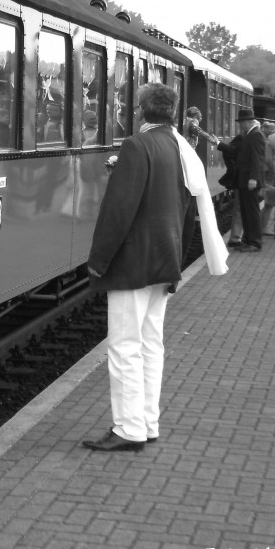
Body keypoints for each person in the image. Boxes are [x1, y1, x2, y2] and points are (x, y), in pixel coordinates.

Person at [82, 83, 199, 453]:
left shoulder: (137, 146)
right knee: (151, 345)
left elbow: (118, 212)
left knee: (124, 347)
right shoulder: (180, 146)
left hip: (133, 262)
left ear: (141, 110)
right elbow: (189, 207)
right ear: (173, 111)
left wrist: (98, 261)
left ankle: (128, 429)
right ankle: (147, 422)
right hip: (165, 258)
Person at [232, 109, 266, 252]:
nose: (241, 126)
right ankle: (247, 240)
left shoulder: (256, 135)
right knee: (246, 211)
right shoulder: (250, 135)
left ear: (247, 122)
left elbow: (257, 159)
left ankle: (255, 242)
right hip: (245, 179)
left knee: (251, 212)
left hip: (250, 180)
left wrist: (253, 178)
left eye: (241, 123)